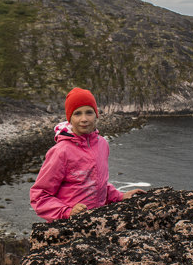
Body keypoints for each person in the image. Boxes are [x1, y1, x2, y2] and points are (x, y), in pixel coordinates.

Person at [30, 87, 143, 222]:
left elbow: (98, 183)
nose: (84, 119)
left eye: (89, 112)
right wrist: (68, 212)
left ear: (97, 114)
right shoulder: (61, 151)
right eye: (77, 113)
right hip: (67, 224)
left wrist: (119, 196)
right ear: (69, 118)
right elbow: (40, 195)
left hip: (96, 220)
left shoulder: (102, 144)